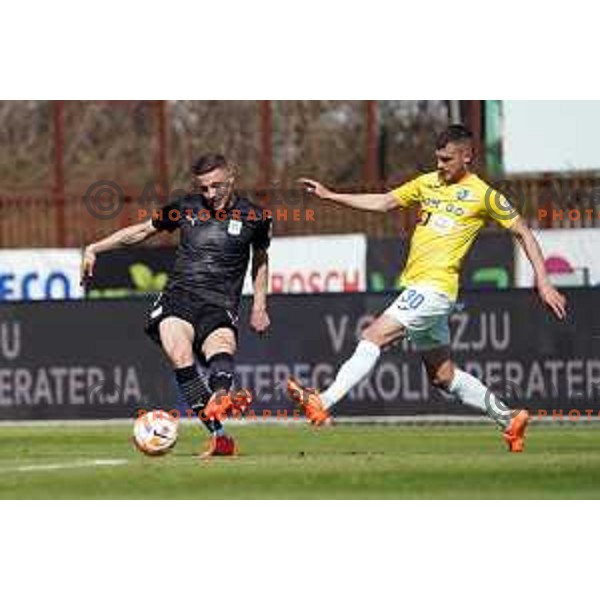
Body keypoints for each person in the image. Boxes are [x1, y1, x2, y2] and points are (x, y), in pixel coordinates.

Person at [288, 124, 567, 452]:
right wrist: (330, 195)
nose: (440, 165)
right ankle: (509, 417)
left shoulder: (484, 195)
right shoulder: (427, 183)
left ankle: (323, 401)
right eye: (438, 158)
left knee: (373, 336)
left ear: (467, 157)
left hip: (435, 289)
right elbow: (383, 202)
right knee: (443, 376)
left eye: (447, 159)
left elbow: (523, 232)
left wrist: (544, 282)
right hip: (423, 289)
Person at [81, 154, 272, 456]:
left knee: (221, 346)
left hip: (221, 302)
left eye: (217, 186)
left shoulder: (256, 217)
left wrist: (259, 305)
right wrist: (95, 248)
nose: (211, 194)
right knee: (180, 354)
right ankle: (219, 434)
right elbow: (141, 231)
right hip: (179, 298)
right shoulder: (185, 207)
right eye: (205, 188)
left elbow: (260, 261)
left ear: (232, 178)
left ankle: (221, 397)